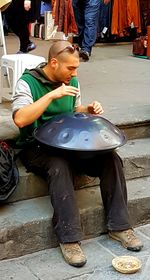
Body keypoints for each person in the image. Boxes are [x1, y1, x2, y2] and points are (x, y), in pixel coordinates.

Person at [12, 40, 143, 268]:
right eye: (70, 68)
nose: (74, 73)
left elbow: (73, 111)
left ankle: (120, 227)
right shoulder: (27, 82)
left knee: (111, 158)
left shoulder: (70, 80)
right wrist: (52, 95)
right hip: (36, 146)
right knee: (59, 165)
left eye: (76, 68)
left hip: (68, 142)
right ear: (53, 63)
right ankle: (69, 238)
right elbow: (21, 118)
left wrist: (87, 110)